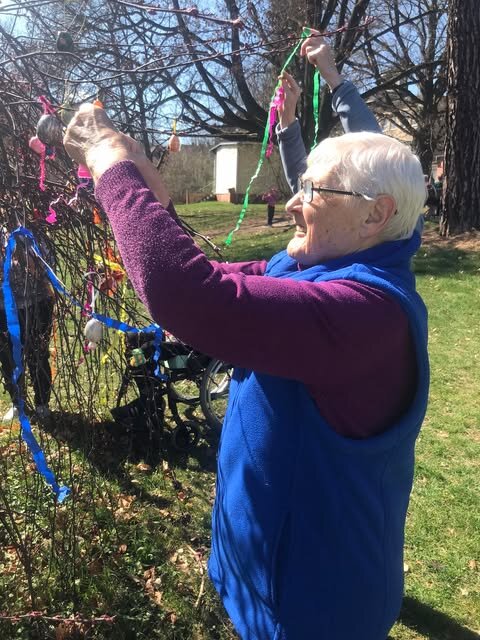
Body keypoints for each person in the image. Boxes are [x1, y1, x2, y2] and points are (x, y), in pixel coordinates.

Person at [64, 28, 429, 640]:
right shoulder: (307, 266)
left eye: (313, 189)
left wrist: (108, 159)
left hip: (315, 608)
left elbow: (187, 295)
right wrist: (143, 179)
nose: (292, 204)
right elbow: (199, 284)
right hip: (265, 574)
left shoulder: (365, 314)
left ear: (376, 214)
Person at [0, 222, 55, 422]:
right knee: (8, 358)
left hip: (36, 303)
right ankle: (18, 402)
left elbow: (48, 268)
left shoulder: (31, 231)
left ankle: (42, 403)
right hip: (4, 308)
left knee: (37, 354)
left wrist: (24, 256)